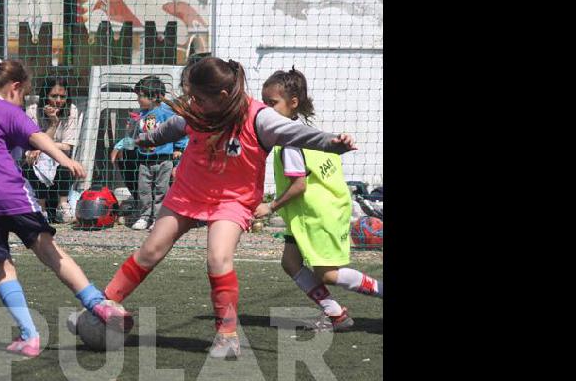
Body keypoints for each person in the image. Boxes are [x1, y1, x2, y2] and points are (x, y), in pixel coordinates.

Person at [85, 57, 358, 358]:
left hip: (233, 199)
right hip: (189, 191)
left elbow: (297, 134)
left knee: (218, 257)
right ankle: (102, 307)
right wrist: (144, 140)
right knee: (150, 250)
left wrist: (333, 142)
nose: (193, 103)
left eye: (199, 98)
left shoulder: (260, 118)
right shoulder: (198, 112)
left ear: (223, 97)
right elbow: (170, 130)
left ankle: (227, 335)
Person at [0, 57, 131, 358]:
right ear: (14, 88)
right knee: (49, 251)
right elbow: (36, 137)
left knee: (2, 267)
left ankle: (29, 336)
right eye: (24, 94)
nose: (22, 100)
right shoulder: (7, 109)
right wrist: (66, 160)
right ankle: (98, 304)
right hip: (11, 194)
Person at [251, 67, 382, 331]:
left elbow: (299, 185)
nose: (266, 109)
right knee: (290, 262)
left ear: (293, 103)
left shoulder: (290, 142)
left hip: (318, 215)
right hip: (311, 214)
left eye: (272, 103)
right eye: (263, 103)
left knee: (328, 274)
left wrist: (270, 206)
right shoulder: (306, 132)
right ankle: (336, 315)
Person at [114, 76, 188, 230]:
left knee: (161, 189)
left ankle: (158, 218)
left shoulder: (166, 113)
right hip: (144, 159)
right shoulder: (140, 114)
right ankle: (145, 216)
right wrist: (126, 136)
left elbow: (179, 129)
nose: (138, 99)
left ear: (154, 97)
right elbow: (134, 136)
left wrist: (178, 149)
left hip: (164, 159)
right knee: (144, 189)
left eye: (140, 96)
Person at [18, 76, 82, 223]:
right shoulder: (33, 111)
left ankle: (62, 205)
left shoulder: (71, 110)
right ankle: (41, 208)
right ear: (45, 95)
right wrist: (53, 123)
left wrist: (43, 148)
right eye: (54, 96)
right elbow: (31, 142)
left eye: (62, 96)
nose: (58, 100)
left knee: (65, 164)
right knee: (33, 162)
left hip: (59, 157)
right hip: (35, 157)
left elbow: (67, 145)